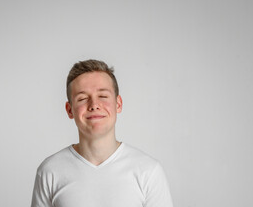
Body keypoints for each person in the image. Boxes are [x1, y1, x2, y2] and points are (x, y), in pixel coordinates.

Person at [31, 59, 173, 207]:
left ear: (118, 104)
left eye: (103, 96)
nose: (94, 105)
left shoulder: (148, 171)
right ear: (69, 110)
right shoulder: (50, 171)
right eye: (82, 98)